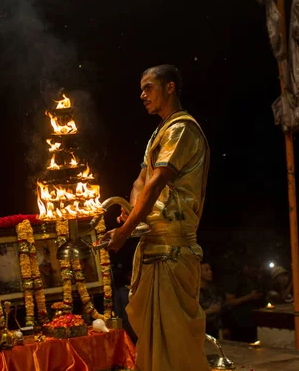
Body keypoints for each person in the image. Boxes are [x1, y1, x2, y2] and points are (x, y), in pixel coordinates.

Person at [103, 64, 211, 371]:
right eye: (141, 88)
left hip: (174, 249)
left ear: (170, 87)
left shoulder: (182, 130)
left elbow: (157, 182)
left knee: (175, 340)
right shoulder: (159, 133)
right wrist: (130, 212)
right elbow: (141, 182)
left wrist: (125, 231)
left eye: (148, 87)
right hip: (153, 244)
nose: (142, 95)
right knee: (153, 338)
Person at [199, 261, 226, 339]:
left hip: (214, 327)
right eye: (206, 270)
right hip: (201, 328)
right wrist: (210, 310)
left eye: (210, 269)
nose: (210, 272)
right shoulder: (193, 292)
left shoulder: (213, 288)